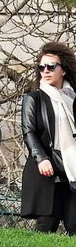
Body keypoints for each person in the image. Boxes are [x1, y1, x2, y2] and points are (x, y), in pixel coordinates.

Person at [21, 42, 76, 235]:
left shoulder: (72, 98)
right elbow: (29, 132)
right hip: (46, 169)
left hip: (72, 169)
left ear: (64, 70)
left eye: (51, 66)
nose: (45, 71)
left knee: (74, 226)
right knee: (45, 225)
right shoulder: (33, 99)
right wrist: (41, 158)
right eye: (41, 67)